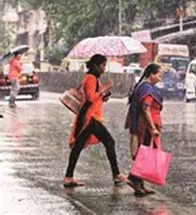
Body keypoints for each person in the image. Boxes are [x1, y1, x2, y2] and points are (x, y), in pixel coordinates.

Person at [63, 54, 127, 187]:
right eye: (103, 66)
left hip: (91, 115)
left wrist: (104, 95)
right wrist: (105, 88)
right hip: (90, 117)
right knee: (109, 142)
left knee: (78, 146)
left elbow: (95, 98)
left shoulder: (94, 78)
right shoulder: (90, 78)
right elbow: (91, 98)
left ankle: (68, 177)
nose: (104, 68)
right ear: (96, 66)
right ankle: (116, 175)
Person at [125, 63, 163, 197]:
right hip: (145, 126)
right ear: (151, 74)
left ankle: (139, 184)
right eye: (159, 75)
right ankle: (134, 178)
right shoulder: (147, 89)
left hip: (143, 125)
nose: (160, 78)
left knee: (144, 153)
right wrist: (152, 127)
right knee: (143, 153)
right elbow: (146, 109)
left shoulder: (142, 86)